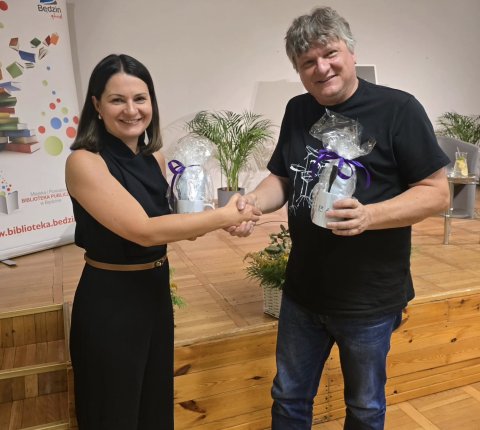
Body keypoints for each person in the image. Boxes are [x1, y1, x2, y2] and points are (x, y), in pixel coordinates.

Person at [228, 7, 450, 430]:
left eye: (330, 53)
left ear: (351, 52)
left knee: (365, 408)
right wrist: (253, 202)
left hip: (369, 299)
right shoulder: (298, 109)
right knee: (289, 398)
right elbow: (283, 177)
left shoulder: (399, 109)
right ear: (298, 71)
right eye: (307, 62)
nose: (322, 68)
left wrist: (370, 215)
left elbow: (437, 192)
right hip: (303, 292)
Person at [65, 53, 260, 430]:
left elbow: (177, 224)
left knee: (154, 408)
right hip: (111, 301)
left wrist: (228, 220)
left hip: (154, 292)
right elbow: (144, 230)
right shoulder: (85, 162)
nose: (131, 110)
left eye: (140, 98)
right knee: (113, 413)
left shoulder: (153, 158)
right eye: (117, 100)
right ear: (97, 105)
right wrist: (225, 216)